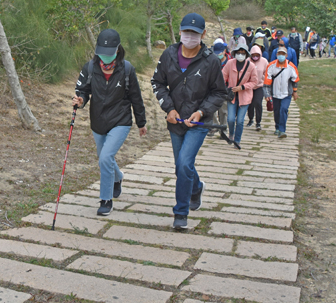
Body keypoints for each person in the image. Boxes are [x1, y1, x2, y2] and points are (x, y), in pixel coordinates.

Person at [151, 13, 228, 231]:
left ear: (203, 34)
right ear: (180, 31)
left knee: (184, 163)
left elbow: (219, 93)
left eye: (194, 33)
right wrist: (169, 108)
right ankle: (196, 187)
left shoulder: (211, 61)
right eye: (186, 32)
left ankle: (181, 212)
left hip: (199, 123)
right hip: (176, 122)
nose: (190, 36)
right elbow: (157, 83)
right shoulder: (168, 55)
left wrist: (202, 112)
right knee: (180, 167)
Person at [73, 29, 147, 216]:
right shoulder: (89, 68)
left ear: (117, 49)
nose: (105, 58)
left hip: (120, 120)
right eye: (102, 53)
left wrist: (141, 122)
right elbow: (82, 90)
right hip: (98, 121)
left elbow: (136, 97)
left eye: (109, 53)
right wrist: (80, 101)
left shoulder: (127, 69)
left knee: (105, 157)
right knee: (103, 157)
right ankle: (118, 177)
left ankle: (106, 200)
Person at [222, 42, 258, 149]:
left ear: (246, 54)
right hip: (232, 96)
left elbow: (254, 81)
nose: (240, 55)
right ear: (235, 53)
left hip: (244, 96)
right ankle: (231, 133)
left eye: (243, 53)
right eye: (238, 52)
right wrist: (223, 88)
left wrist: (242, 87)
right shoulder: (230, 63)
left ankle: (237, 140)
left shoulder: (251, 66)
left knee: (240, 121)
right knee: (231, 119)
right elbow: (223, 76)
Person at [264, 44, 300, 139]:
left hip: (286, 93)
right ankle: (277, 126)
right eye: (279, 53)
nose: (281, 55)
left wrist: (295, 91)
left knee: (283, 110)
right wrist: (267, 94)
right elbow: (267, 81)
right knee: (276, 111)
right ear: (276, 54)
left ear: (286, 55)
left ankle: (282, 130)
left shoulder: (291, 67)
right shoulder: (271, 66)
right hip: (275, 93)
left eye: (283, 54)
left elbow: (295, 79)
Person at [245, 44, 268, 132]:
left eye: (257, 55)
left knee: (257, 103)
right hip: (249, 86)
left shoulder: (264, 61)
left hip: (259, 86)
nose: (255, 57)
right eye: (253, 55)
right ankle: (251, 119)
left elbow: (267, 73)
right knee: (250, 104)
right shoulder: (247, 61)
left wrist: (264, 81)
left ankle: (258, 122)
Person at [213, 41, 230, 130]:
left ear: (224, 51)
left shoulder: (230, 62)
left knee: (223, 111)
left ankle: (223, 128)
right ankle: (215, 126)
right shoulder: (213, 61)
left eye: (219, 53)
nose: (217, 55)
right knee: (211, 109)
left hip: (225, 89)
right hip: (213, 89)